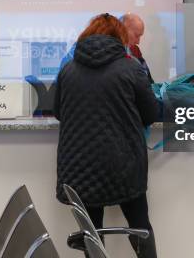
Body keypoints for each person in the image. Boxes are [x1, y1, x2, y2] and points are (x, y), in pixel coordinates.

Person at [54, 13, 159, 258]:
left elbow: (58, 111)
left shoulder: (68, 70)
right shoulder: (131, 67)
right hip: (122, 164)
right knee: (140, 227)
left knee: (92, 235)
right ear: (119, 36)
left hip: (79, 168)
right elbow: (151, 112)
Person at [121, 13, 154, 84]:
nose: (138, 42)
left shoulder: (135, 50)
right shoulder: (111, 54)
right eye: (136, 35)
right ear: (123, 30)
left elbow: (149, 80)